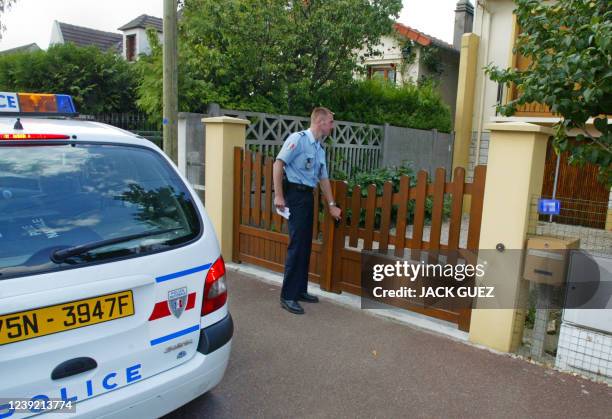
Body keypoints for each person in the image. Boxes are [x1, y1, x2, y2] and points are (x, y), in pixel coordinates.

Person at [273, 107, 342, 315]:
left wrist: (331, 205)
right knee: (297, 245)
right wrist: (278, 195)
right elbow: (278, 164)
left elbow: (323, 179)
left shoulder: (320, 148)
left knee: (304, 245)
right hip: (294, 195)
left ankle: (299, 290)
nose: (332, 126)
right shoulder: (298, 139)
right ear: (320, 122)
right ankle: (287, 296)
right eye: (330, 122)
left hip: (307, 197)